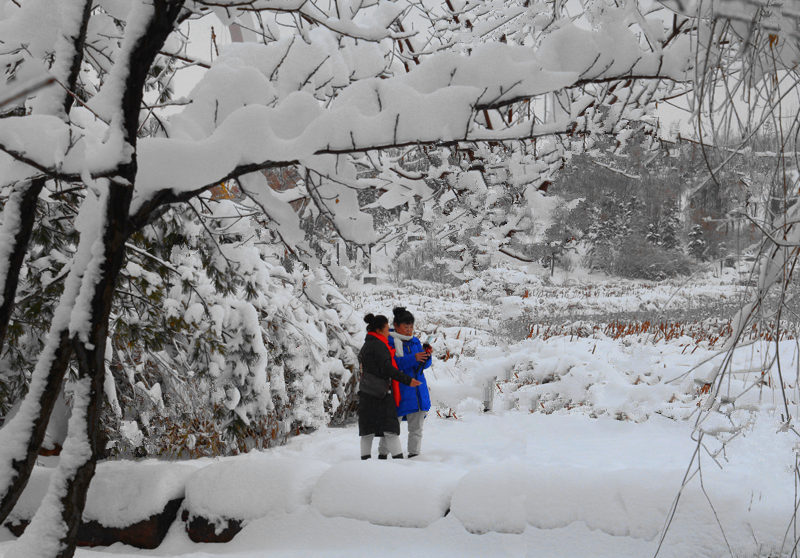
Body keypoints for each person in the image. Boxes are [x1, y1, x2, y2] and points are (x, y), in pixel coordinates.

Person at [358, 313, 421, 460]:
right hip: (381, 395)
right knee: (390, 430)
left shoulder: (367, 344)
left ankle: (364, 463)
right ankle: (398, 462)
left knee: (367, 431)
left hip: (366, 393)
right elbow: (388, 369)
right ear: (379, 330)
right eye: (387, 328)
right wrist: (407, 380)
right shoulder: (379, 346)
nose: (389, 331)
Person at [383, 306, 432, 459]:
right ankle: (382, 456)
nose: (409, 330)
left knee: (416, 429)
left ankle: (414, 455)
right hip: (399, 392)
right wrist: (414, 358)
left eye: (411, 326)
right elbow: (391, 365)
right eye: (406, 326)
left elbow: (423, 366)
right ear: (396, 325)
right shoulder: (388, 342)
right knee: (391, 429)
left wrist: (426, 356)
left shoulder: (415, 341)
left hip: (417, 391)